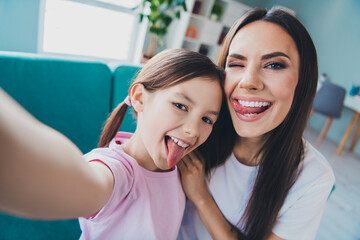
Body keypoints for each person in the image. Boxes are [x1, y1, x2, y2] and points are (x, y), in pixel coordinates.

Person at [0, 49, 226, 239]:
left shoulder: (182, 172)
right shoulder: (118, 171)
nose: (193, 130)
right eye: (180, 106)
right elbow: (82, 181)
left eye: (207, 119)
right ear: (139, 98)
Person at [177, 7, 335, 240]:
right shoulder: (196, 129)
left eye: (274, 65)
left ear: (303, 81)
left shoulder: (312, 177)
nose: (249, 82)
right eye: (236, 64)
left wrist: (201, 196)